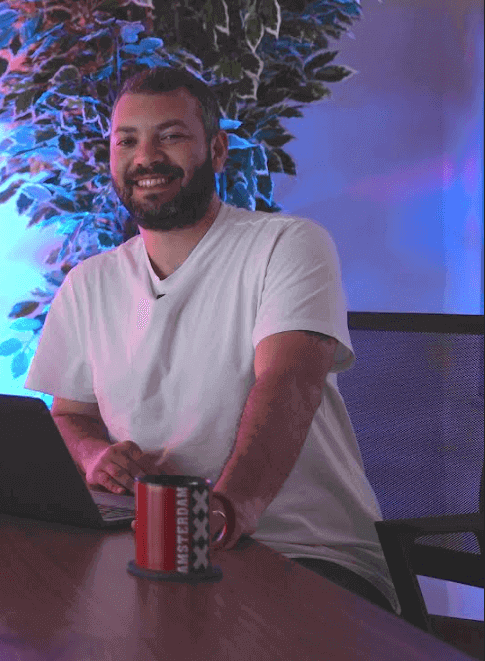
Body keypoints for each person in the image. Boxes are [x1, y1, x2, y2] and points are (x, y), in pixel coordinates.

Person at [24, 67, 400, 615]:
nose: (146, 157)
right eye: (127, 141)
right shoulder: (89, 282)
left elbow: (289, 385)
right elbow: (69, 415)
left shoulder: (287, 245)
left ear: (218, 150)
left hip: (304, 554)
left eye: (171, 136)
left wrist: (228, 509)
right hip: (155, 551)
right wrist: (95, 455)